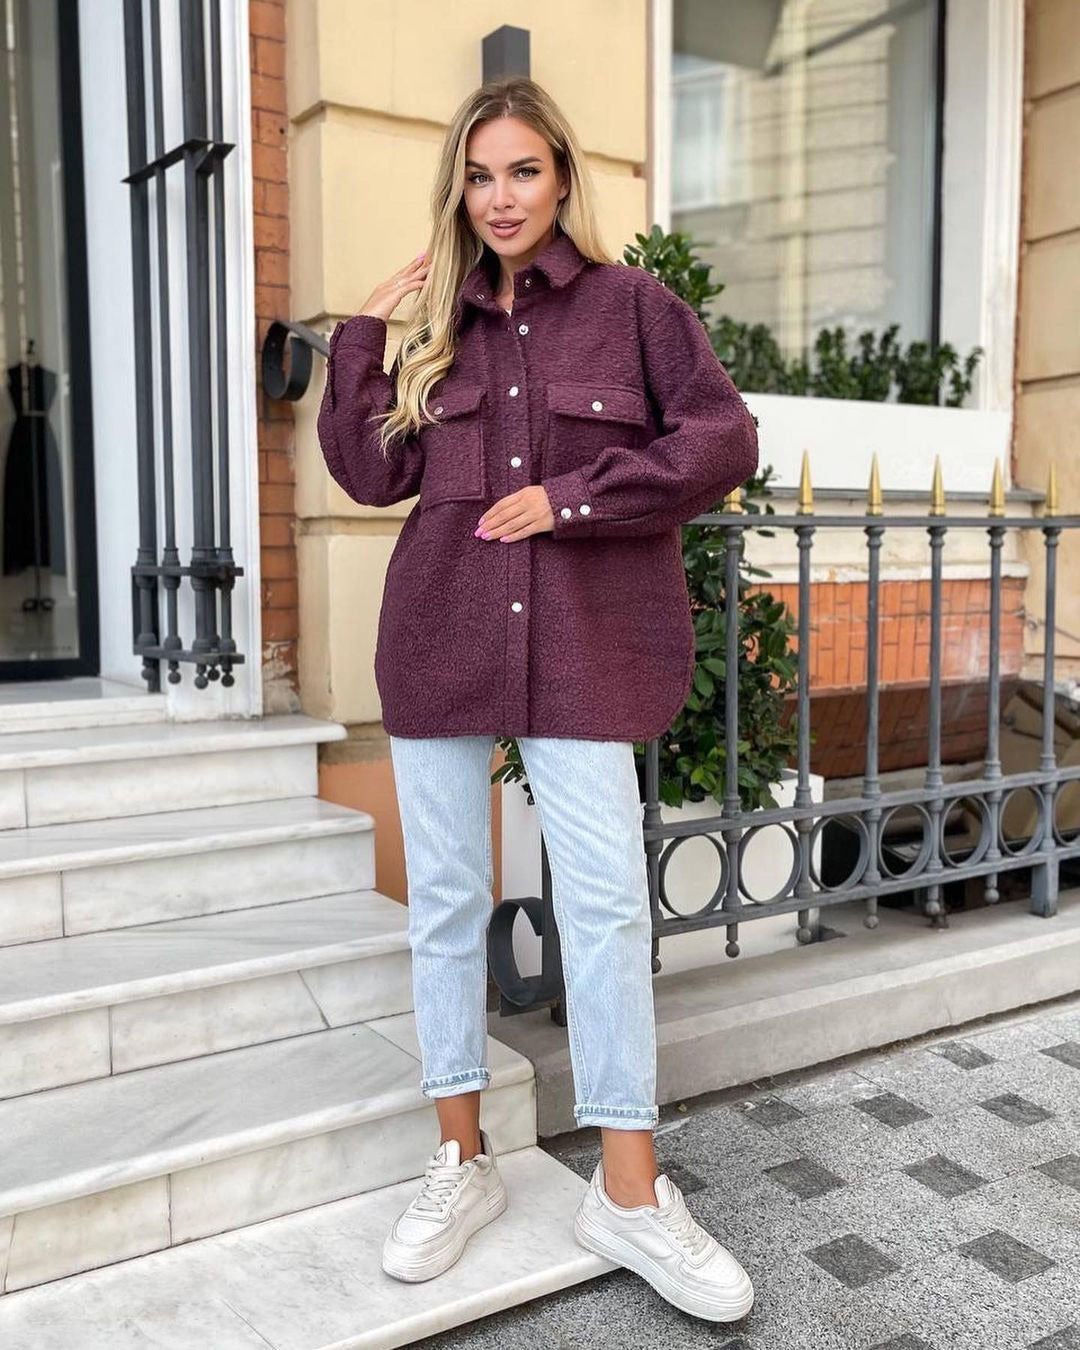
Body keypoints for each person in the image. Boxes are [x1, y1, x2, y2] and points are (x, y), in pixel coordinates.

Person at [316, 75, 758, 1324]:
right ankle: (461, 1159)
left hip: (583, 646)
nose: (499, 198)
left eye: (522, 171)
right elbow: (368, 475)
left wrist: (572, 500)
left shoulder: (635, 310)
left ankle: (629, 1189)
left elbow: (722, 442)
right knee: (447, 903)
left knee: (606, 907)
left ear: (562, 175)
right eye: (478, 175)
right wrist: (364, 336)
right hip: (442, 636)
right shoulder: (435, 328)